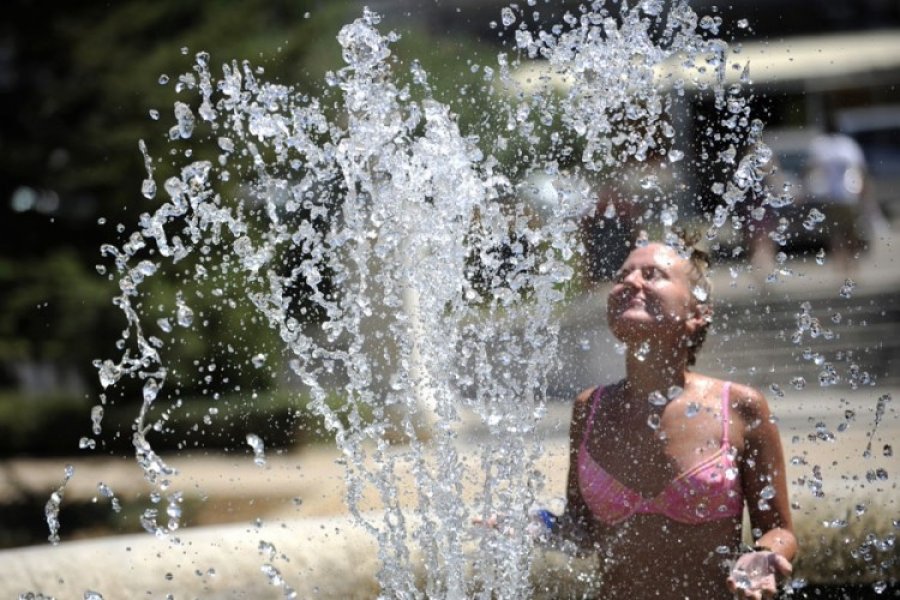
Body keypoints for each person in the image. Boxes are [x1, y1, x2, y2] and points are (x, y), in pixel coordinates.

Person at [543, 235, 797, 599]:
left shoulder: (739, 407)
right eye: (623, 275)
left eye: (653, 274)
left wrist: (765, 556)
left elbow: (778, 529)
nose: (631, 282)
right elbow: (580, 529)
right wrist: (534, 527)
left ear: (697, 312)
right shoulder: (590, 407)